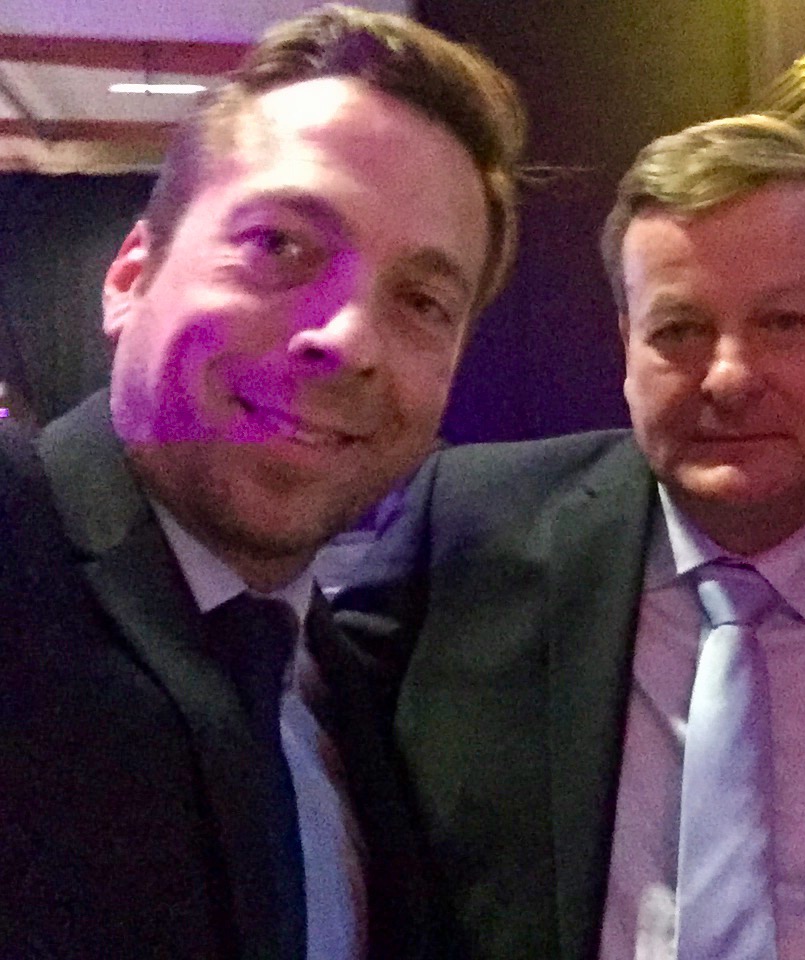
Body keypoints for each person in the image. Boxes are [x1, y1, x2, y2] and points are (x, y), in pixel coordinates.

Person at [338, 113, 805, 960]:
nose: (730, 377)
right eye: (678, 330)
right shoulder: (466, 531)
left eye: (784, 322)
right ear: (626, 347)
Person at [0, 6, 524, 958]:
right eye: (281, 245)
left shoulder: (348, 704)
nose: (350, 339)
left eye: (422, 301)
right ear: (130, 277)